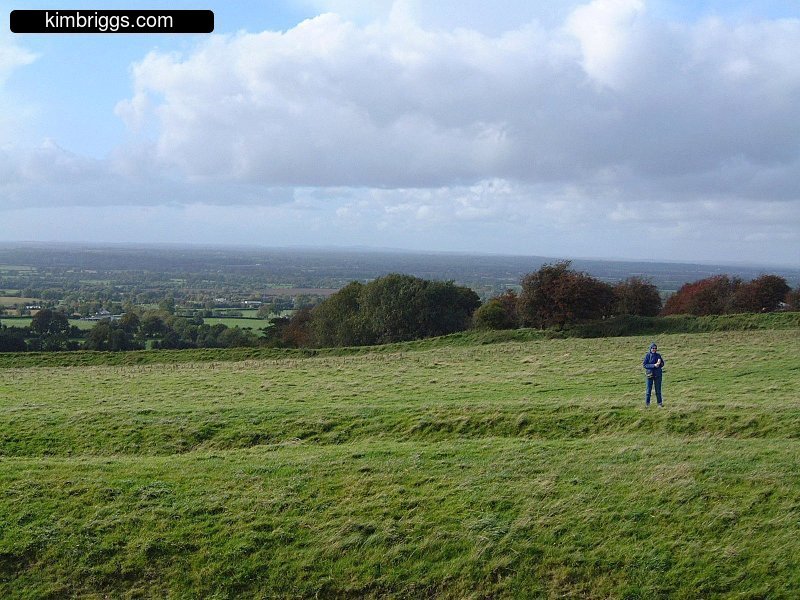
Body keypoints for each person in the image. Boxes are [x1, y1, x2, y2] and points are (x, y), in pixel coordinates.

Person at [642, 342, 665, 407]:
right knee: (648, 391)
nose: (654, 349)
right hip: (649, 375)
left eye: (655, 348)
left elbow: (663, 364)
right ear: (650, 348)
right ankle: (647, 404)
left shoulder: (658, 355)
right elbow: (645, 365)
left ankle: (659, 404)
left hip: (658, 375)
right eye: (653, 348)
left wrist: (660, 364)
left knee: (658, 390)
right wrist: (654, 365)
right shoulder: (647, 355)